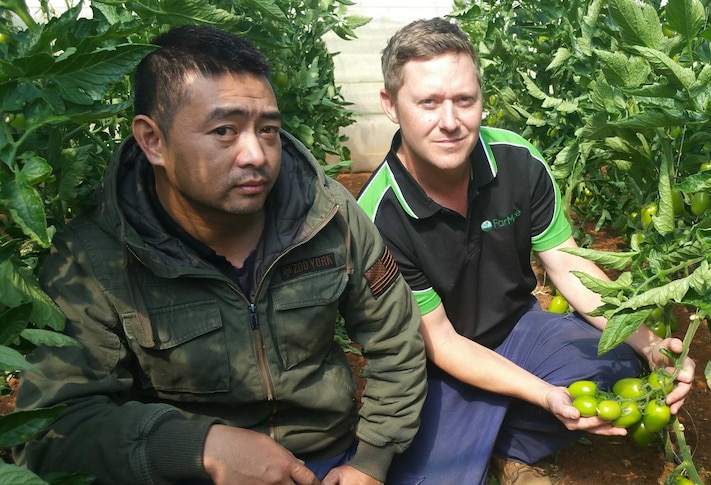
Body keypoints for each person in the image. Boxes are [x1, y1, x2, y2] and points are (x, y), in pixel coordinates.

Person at [14, 25, 427, 485]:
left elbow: (395, 338)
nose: (255, 153)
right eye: (224, 130)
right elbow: (54, 426)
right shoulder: (92, 261)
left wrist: (371, 461)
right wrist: (199, 448)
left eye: (268, 129)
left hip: (327, 458)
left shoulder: (326, 215)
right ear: (153, 140)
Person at [356, 17, 696, 485]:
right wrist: (543, 394)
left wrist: (650, 343)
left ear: (481, 98)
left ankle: (502, 445)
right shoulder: (378, 216)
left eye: (464, 100)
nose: (450, 121)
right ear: (391, 106)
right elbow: (441, 341)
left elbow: (570, 266)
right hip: (439, 364)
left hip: (517, 330)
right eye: (428, 103)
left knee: (618, 360)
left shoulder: (518, 161)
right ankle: (485, 438)